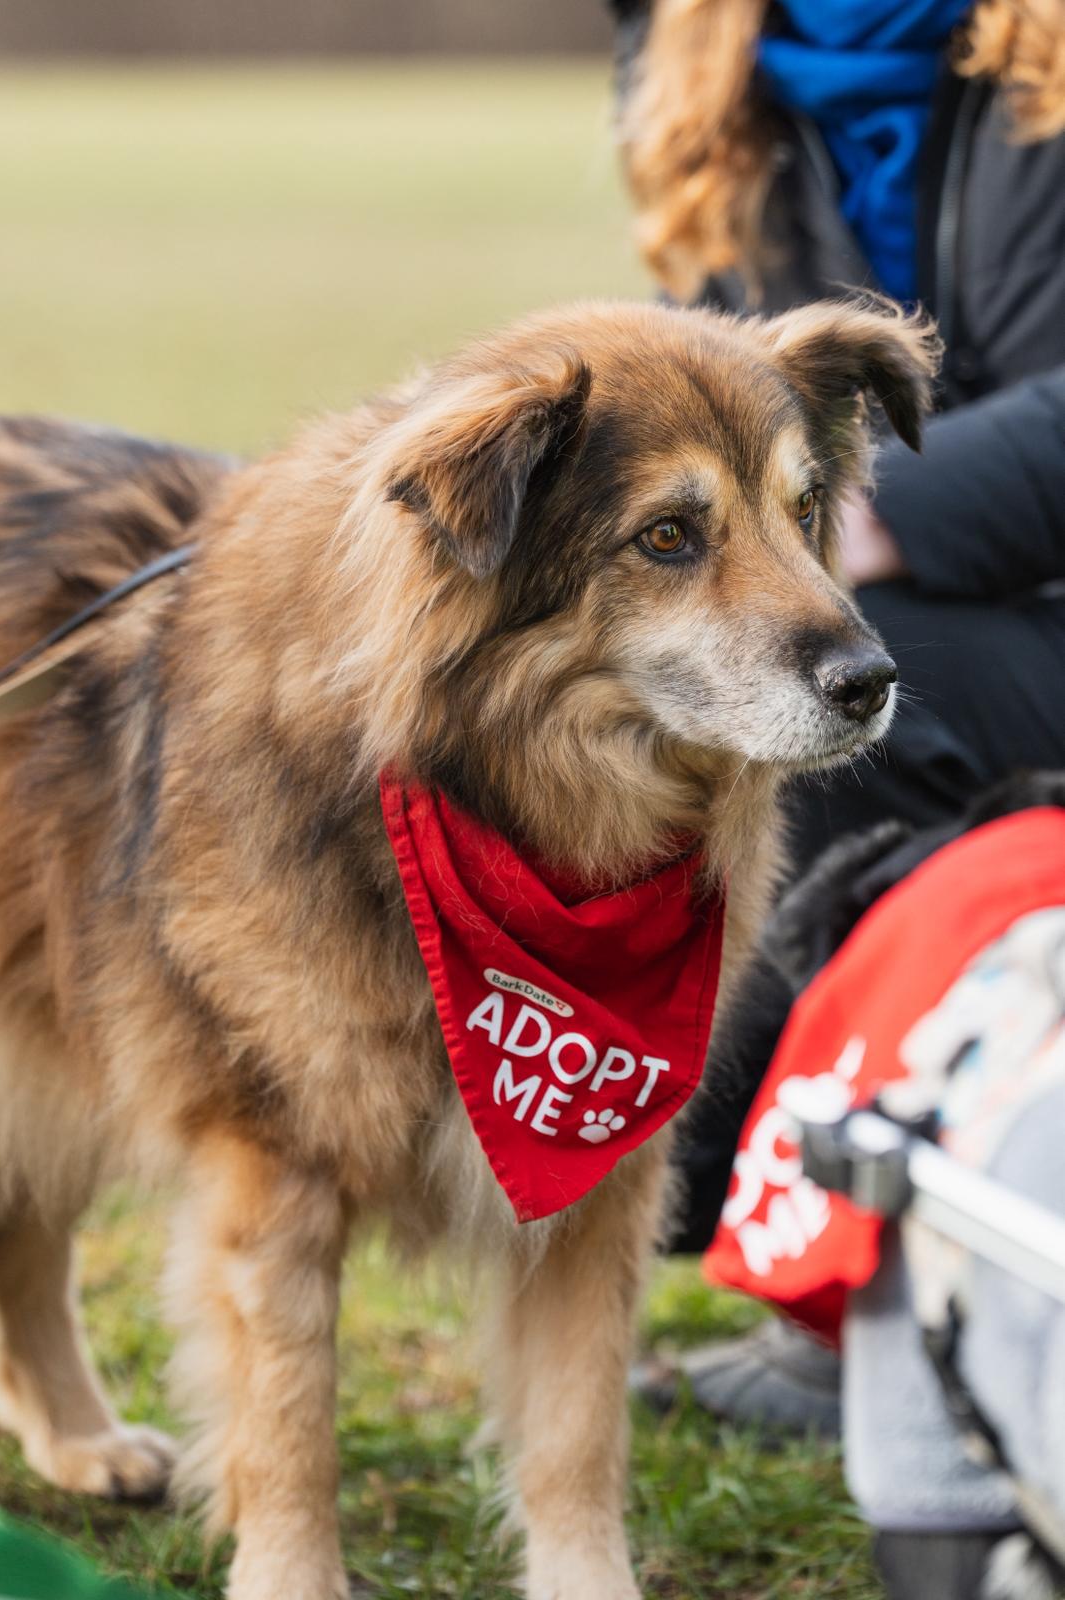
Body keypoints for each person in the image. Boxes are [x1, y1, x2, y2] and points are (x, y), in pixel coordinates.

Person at [605, 0, 1065, 1435]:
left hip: (989, 588)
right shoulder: (693, 44)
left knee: (835, 698)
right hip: (883, 576)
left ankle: (828, 1258)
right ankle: (699, 1172)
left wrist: (858, 516)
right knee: (631, 702)